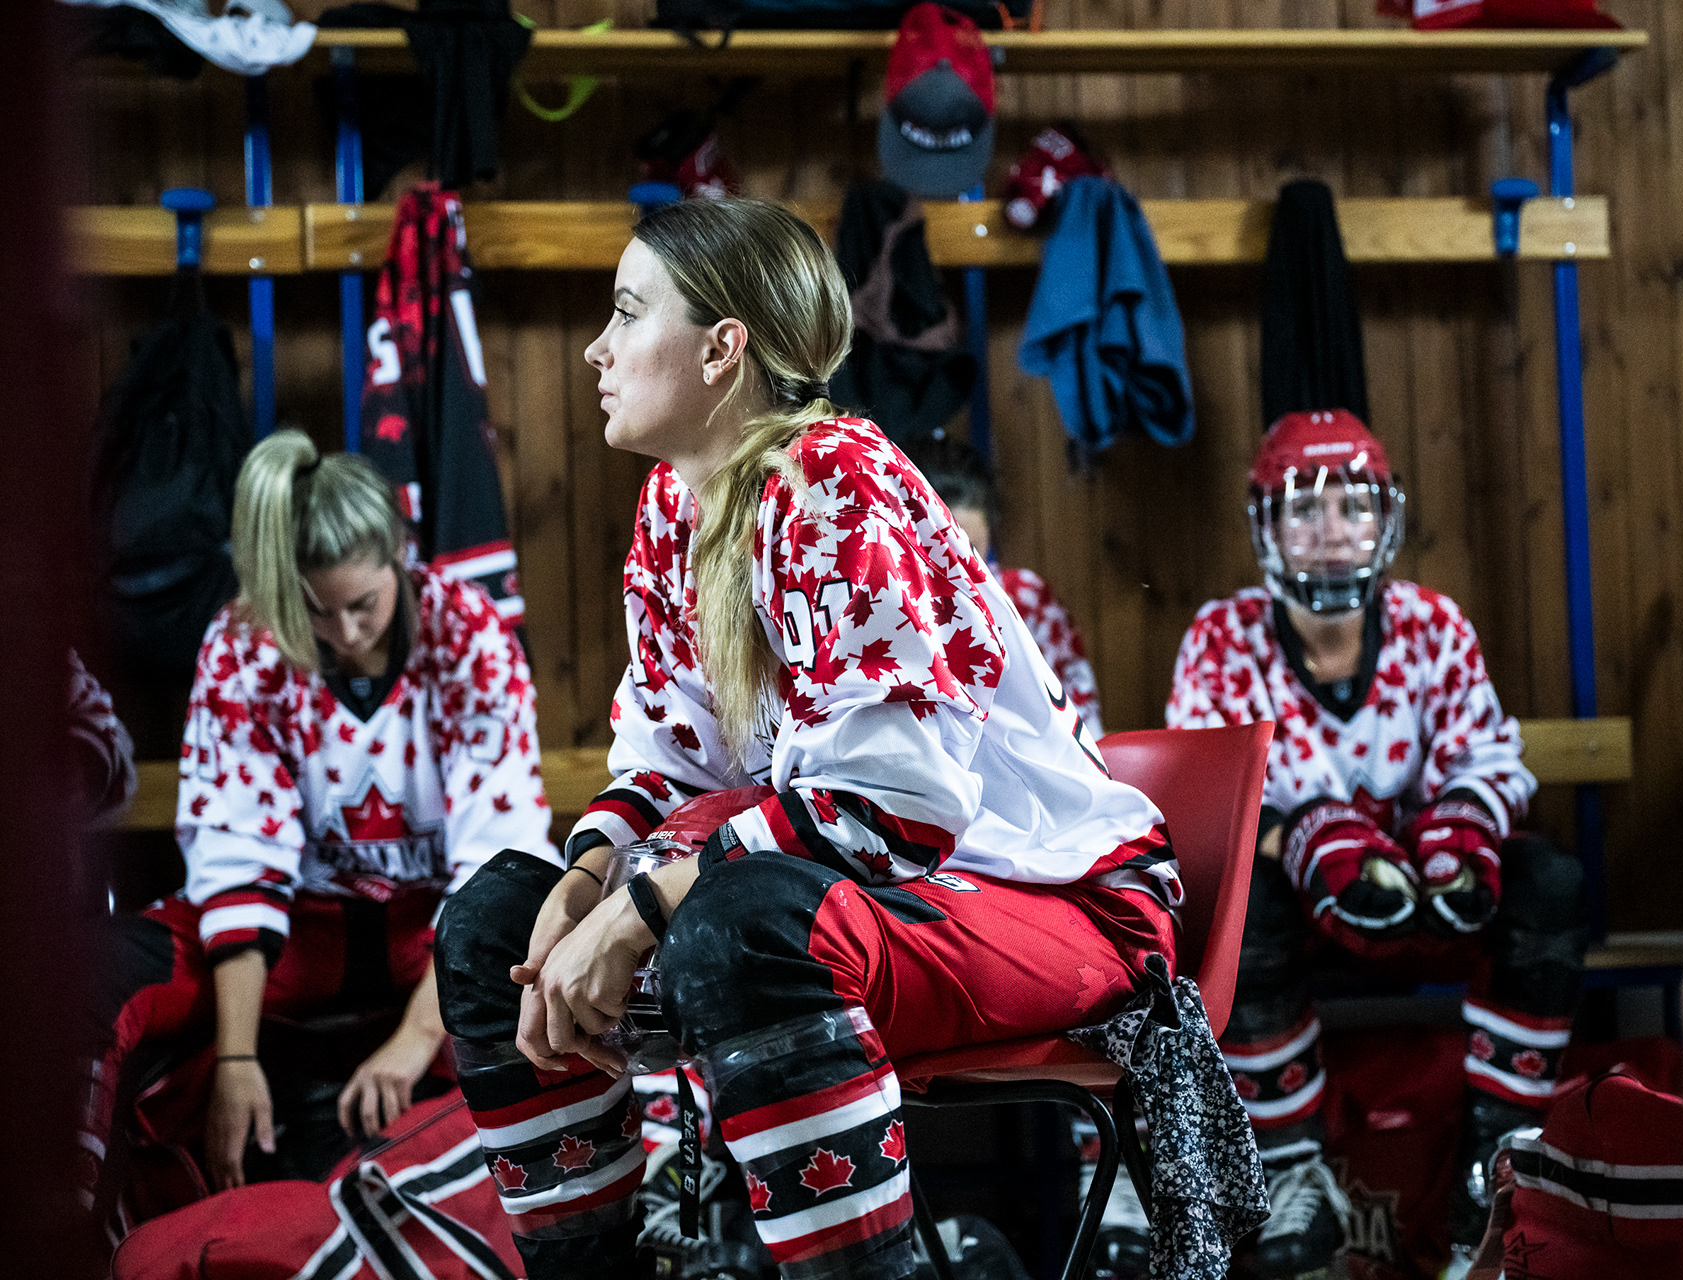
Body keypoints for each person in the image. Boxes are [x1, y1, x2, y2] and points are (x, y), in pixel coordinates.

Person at [434, 196, 1181, 1280]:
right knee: (491, 924)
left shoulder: (835, 480)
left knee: (738, 926)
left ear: (721, 350)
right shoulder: (674, 503)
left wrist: (639, 910)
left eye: (628, 313)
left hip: (1061, 904)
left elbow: (894, 809)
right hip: (882, 904)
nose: (596, 348)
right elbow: (671, 759)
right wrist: (589, 877)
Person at [80, 430, 555, 1233]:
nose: (344, 633)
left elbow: (496, 863)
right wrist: (236, 1060)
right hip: (292, 942)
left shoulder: (469, 630)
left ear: (401, 556)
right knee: (91, 970)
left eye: (363, 605)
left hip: (428, 941)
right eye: (316, 609)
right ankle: (63, 1220)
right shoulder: (246, 640)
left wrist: (415, 1040)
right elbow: (238, 859)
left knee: (538, 956)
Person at [1158, 409, 1585, 1278]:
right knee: (1240, 899)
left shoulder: (1433, 623)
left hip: (1429, 898)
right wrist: (1306, 839)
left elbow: (1487, 758)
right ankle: (1290, 1165)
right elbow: (1206, 802)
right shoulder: (1222, 635)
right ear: (1267, 525)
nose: (1330, 532)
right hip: (1302, 922)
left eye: (1352, 506)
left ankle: (1496, 1151)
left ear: (1385, 517)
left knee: (1548, 879)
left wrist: (1462, 831)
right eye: (1303, 509)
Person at [910, 437, 1105, 739]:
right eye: (945, 553)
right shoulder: (898, 607)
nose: (961, 568)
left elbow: (1081, 716)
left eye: (972, 551)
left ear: (990, 530)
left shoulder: (1022, 598)